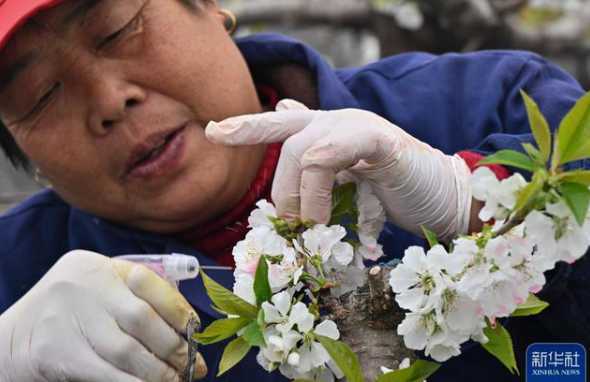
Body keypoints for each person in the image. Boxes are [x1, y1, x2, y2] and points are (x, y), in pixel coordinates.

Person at [0, 0, 587, 381]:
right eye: (40, 97)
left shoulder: (489, 100)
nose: (108, 101)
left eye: (118, 30)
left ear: (210, 7)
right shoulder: (18, 280)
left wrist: (480, 205)